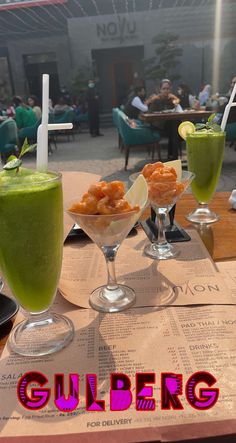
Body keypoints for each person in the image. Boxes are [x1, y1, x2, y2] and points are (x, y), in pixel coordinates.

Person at [147, 80, 181, 160]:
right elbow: (150, 114)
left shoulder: (173, 99)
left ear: (170, 89)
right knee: (174, 127)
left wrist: (176, 106)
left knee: (176, 125)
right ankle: (172, 155)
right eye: (164, 88)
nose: (166, 90)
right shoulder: (155, 100)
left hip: (170, 125)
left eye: (168, 88)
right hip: (158, 125)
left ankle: (172, 155)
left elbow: (179, 110)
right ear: (160, 89)